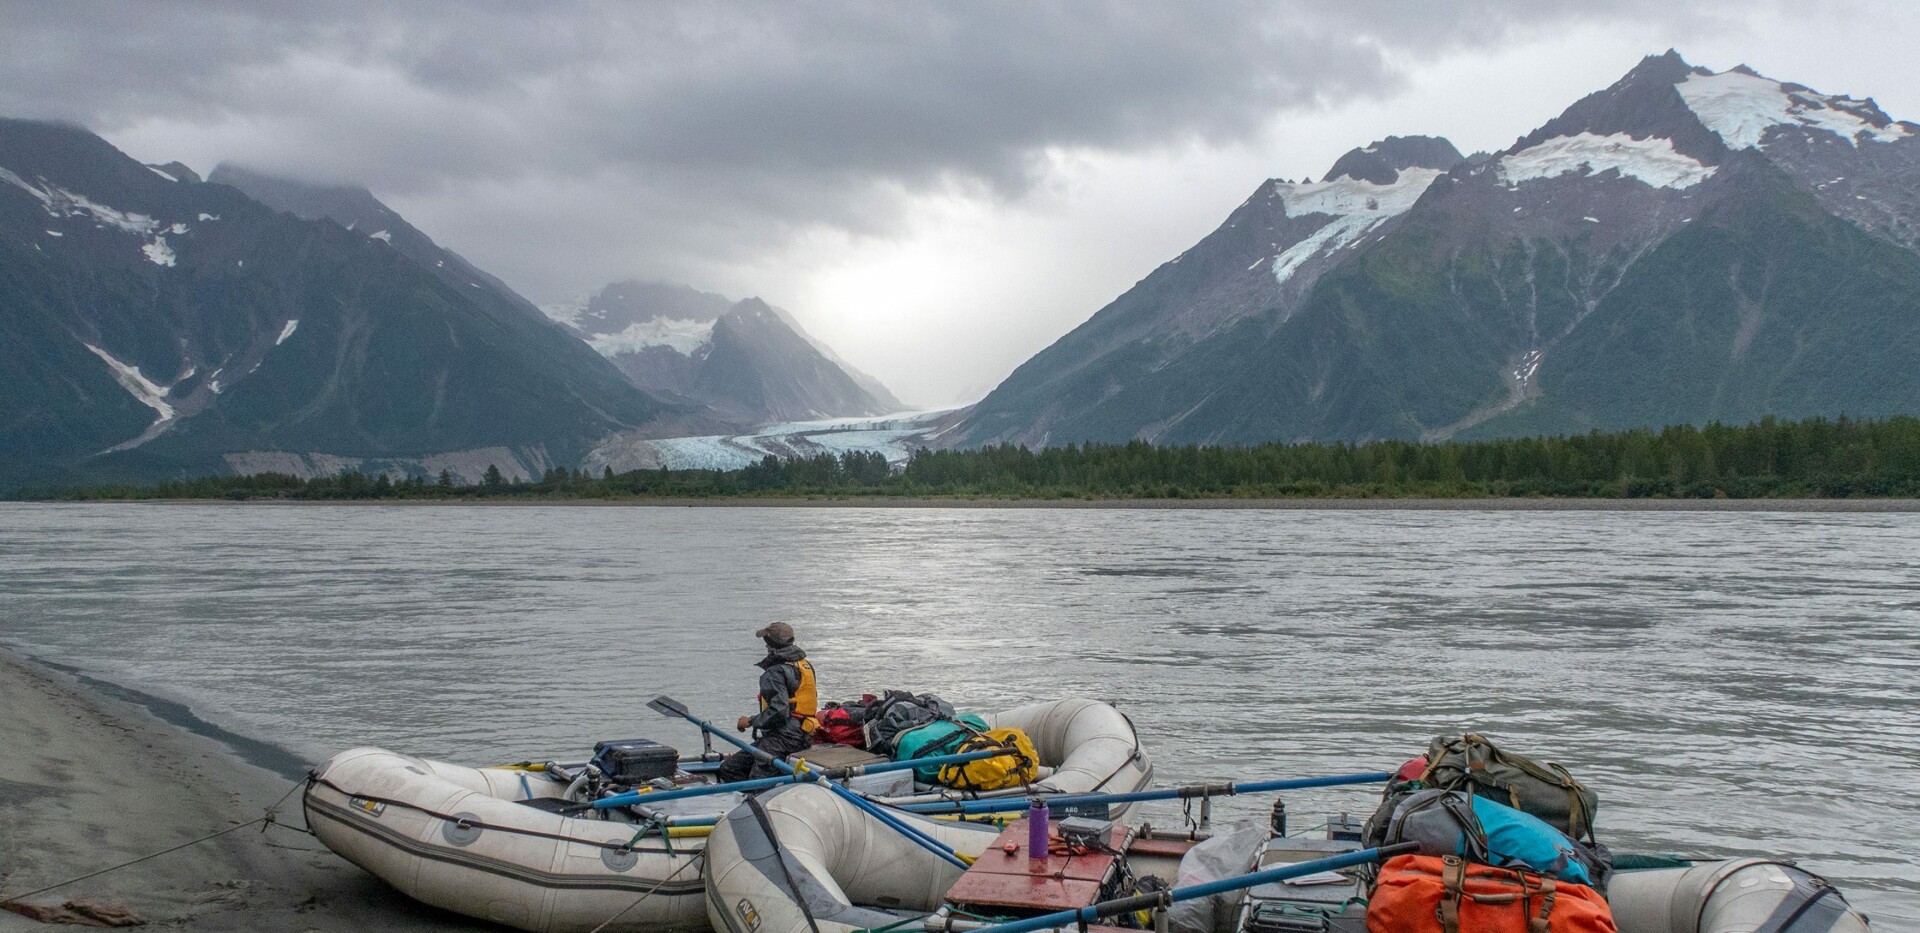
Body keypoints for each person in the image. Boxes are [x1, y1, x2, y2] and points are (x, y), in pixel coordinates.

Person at [715, 622, 818, 784]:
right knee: (730, 768)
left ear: (771, 644)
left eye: (766, 640)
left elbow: (780, 711)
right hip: (802, 735)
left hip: (781, 738)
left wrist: (749, 721)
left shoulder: (775, 672)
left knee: (758, 781)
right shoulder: (804, 664)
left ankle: (759, 803)